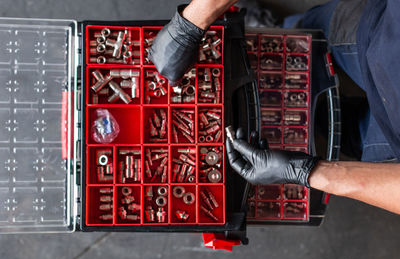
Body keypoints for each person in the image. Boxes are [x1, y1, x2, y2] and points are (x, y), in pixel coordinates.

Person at [148, 0, 400, 215]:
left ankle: (281, 37)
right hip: (381, 36)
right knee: (306, 36)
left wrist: (308, 171)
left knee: (352, 133)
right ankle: (280, 33)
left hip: (393, 149)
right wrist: (193, 20)